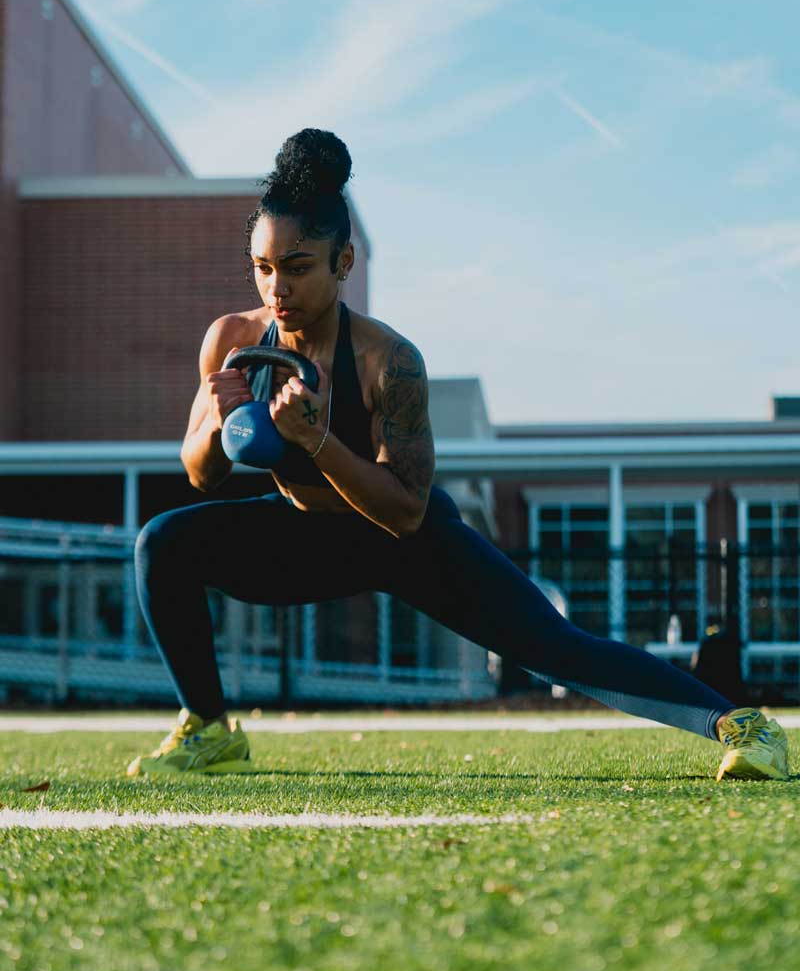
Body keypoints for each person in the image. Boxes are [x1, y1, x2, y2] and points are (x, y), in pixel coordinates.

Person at [127, 129, 789, 783]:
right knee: (164, 542)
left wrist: (318, 443)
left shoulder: (391, 362)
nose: (278, 289)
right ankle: (209, 729)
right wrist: (218, 422)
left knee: (552, 648)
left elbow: (407, 513)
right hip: (304, 532)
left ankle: (743, 727)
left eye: (298, 268)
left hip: (401, 538)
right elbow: (200, 474)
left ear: (344, 263)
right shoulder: (233, 341)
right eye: (264, 267)